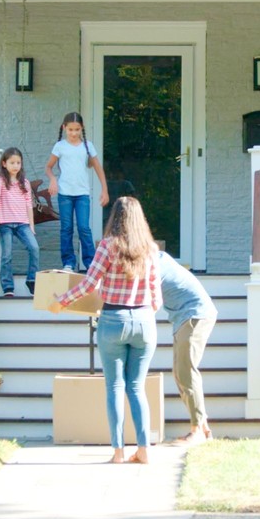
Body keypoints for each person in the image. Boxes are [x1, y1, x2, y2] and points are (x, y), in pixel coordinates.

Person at [51, 196, 160, 464]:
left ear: (115, 217)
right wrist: (144, 314)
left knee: (114, 386)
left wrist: (60, 302)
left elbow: (89, 284)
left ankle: (119, 452)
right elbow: (157, 296)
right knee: (137, 387)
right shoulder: (151, 250)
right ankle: (144, 449)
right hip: (145, 320)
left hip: (113, 319)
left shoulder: (107, 246)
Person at [155, 250, 216, 445]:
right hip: (188, 317)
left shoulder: (156, 265)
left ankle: (197, 429)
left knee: (186, 372)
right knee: (181, 373)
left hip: (194, 315)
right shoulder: (159, 259)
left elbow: (150, 300)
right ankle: (203, 428)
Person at [45, 111, 108, 272]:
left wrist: (104, 189)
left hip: (82, 194)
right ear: (64, 128)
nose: (74, 133)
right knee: (66, 228)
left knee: (84, 228)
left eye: (77, 129)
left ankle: (90, 263)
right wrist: (53, 180)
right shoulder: (60, 146)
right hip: (65, 193)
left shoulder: (87, 146)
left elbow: (97, 167)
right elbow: (49, 167)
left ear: (82, 129)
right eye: (71, 129)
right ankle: (68, 262)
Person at [0, 147, 37, 298]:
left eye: (18, 162)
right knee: (7, 255)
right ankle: (8, 287)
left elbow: (29, 204)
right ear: (4, 164)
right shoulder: (1, 181)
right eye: (12, 162)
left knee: (34, 248)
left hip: (23, 223)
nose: (15, 166)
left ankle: (32, 280)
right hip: (5, 224)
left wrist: (31, 224)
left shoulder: (24, 182)